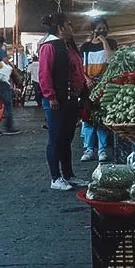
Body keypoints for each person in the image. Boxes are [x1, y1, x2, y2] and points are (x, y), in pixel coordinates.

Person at [38, 13, 87, 191]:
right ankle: (55, 178)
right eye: (69, 25)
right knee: (56, 138)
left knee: (66, 139)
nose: (72, 28)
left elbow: (77, 70)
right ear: (60, 28)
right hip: (57, 101)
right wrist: (50, 96)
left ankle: (68, 175)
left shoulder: (69, 46)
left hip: (71, 99)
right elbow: (44, 74)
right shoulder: (49, 46)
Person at [78, 18, 114, 162]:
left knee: (102, 118)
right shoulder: (85, 47)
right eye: (98, 28)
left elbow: (111, 59)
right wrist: (87, 80)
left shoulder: (111, 44)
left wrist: (104, 41)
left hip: (105, 87)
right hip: (89, 86)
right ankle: (88, 149)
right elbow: (81, 67)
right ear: (92, 30)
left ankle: (102, 149)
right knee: (87, 119)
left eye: (103, 28)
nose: (100, 31)